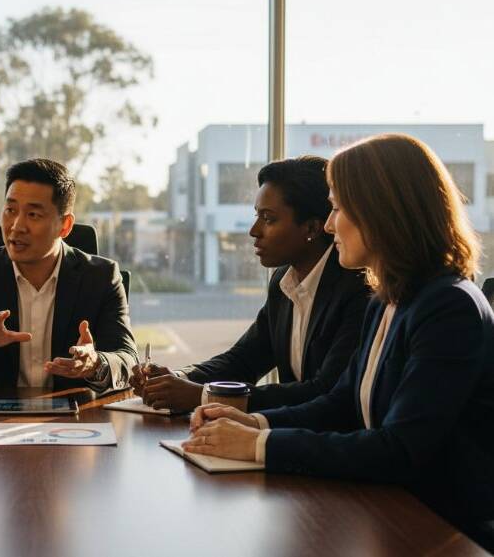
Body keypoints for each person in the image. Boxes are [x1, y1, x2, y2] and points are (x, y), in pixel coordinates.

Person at [184, 134, 494, 549]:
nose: (329, 225)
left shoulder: (448, 307)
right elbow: (342, 403)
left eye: (338, 208)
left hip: (437, 529)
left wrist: (260, 444)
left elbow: (398, 449)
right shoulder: (387, 299)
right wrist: (254, 422)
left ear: (381, 212)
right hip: (382, 509)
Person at [133, 156, 370, 412]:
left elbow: (325, 391)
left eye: (268, 219)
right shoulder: (284, 280)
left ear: (312, 227)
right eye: (257, 216)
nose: (254, 231)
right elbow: (243, 361)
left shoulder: (358, 288)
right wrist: (179, 379)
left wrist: (204, 397)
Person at [0, 158, 137, 391]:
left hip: (77, 420)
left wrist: (95, 364)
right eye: (10, 210)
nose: (17, 226)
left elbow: (129, 361)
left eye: (33, 215)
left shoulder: (101, 278)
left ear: (65, 226)